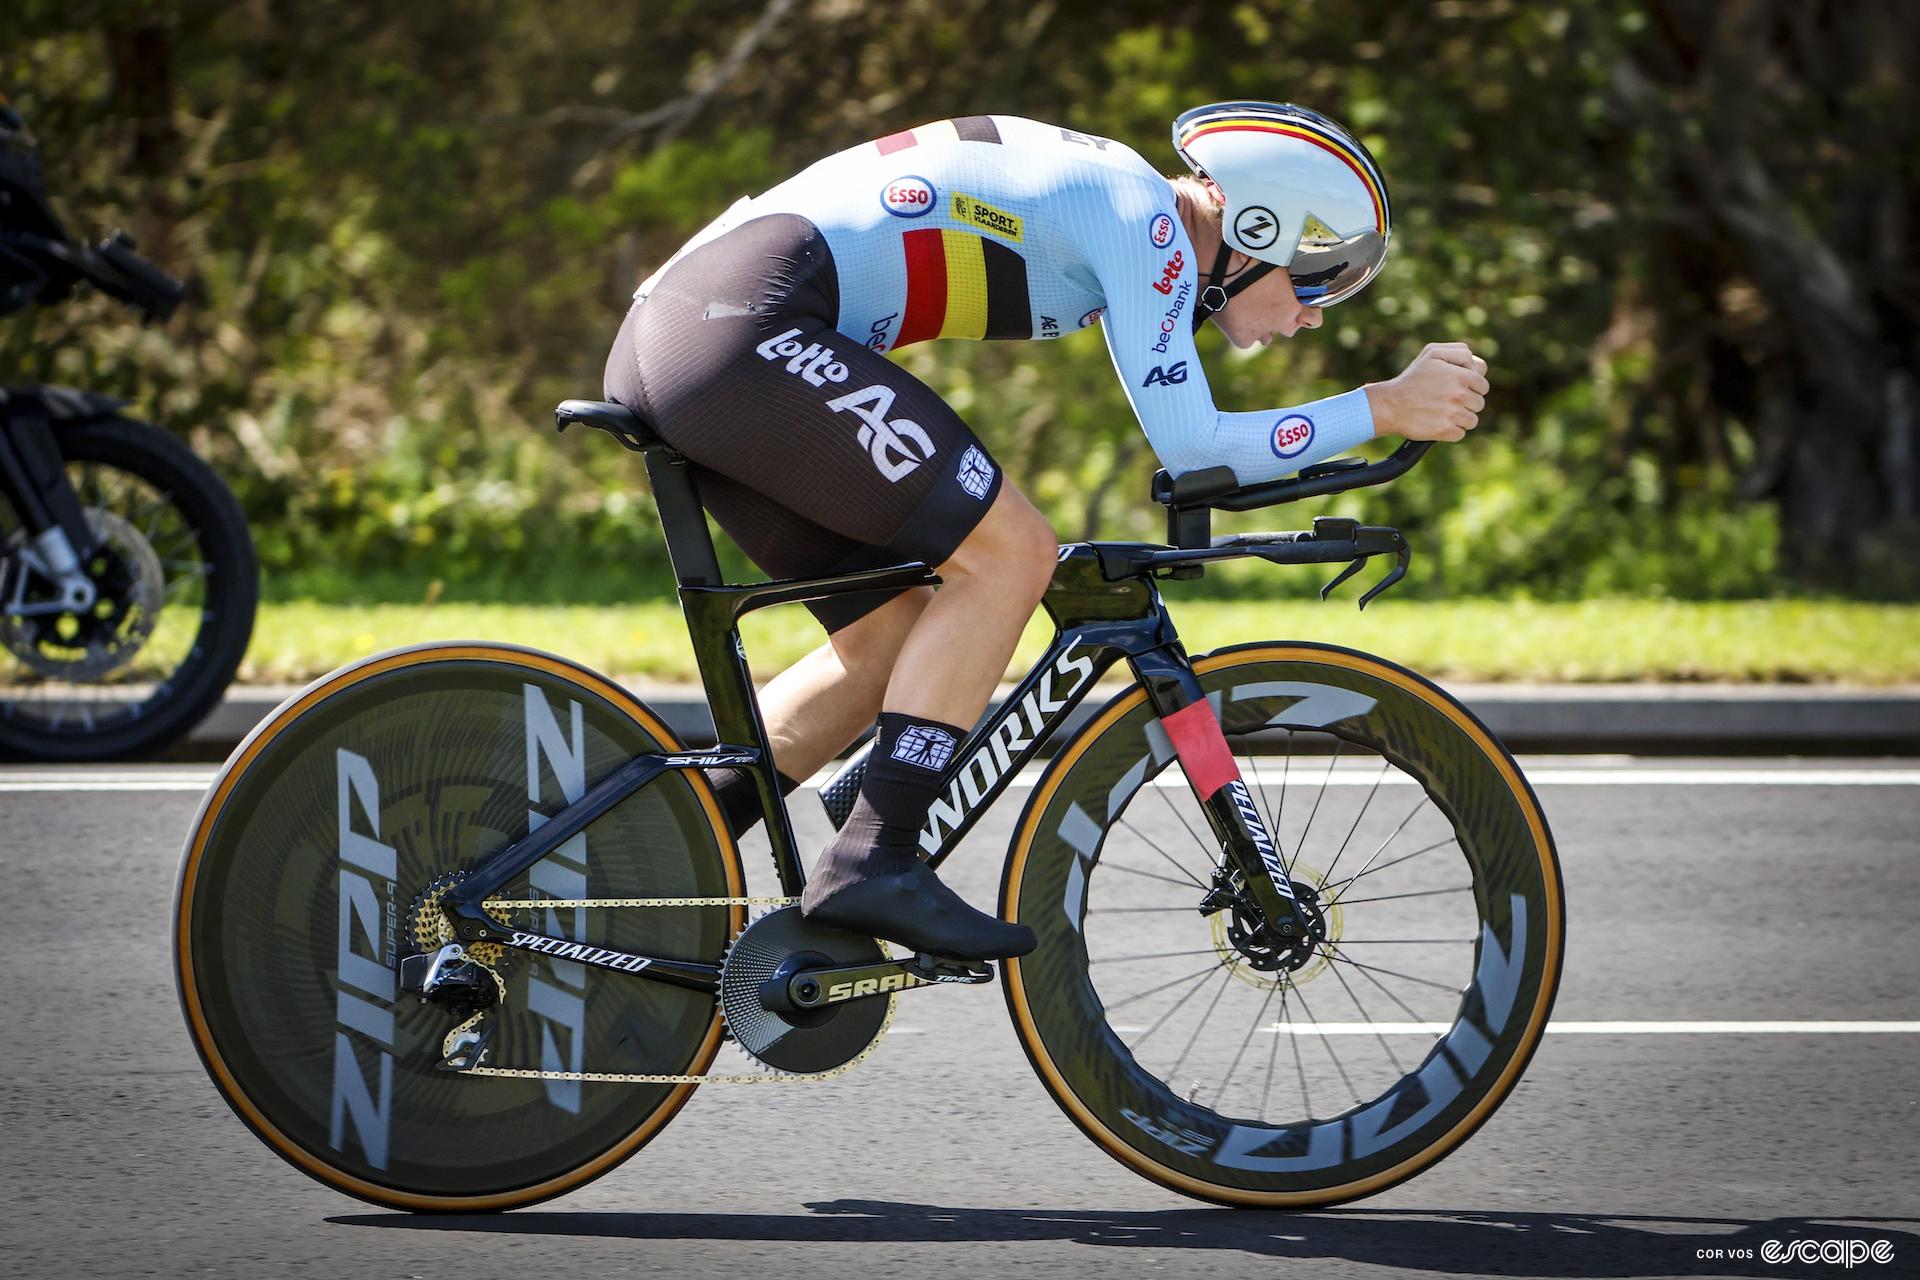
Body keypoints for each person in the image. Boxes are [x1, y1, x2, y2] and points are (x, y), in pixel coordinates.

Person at [602, 102, 1489, 962]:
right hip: (731, 331)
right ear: (1256, 230)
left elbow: (1193, 439)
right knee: (1012, 554)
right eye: (1315, 277)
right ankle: (874, 856)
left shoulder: (1121, 201)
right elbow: (1192, 445)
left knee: (895, 636)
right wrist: (1380, 406)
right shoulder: (1144, 219)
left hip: (692, 331)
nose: (1314, 312)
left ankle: (640, 866)